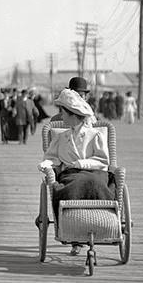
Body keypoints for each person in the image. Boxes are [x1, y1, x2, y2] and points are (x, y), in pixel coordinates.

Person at [38, 88, 115, 255]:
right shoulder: (61, 137)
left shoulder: (94, 135)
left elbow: (103, 161)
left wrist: (81, 163)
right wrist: (45, 164)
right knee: (70, 183)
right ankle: (71, 224)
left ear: (73, 114)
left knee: (91, 181)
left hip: (95, 173)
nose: (61, 117)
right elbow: (52, 157)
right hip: (70, 175)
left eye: (64, 113)